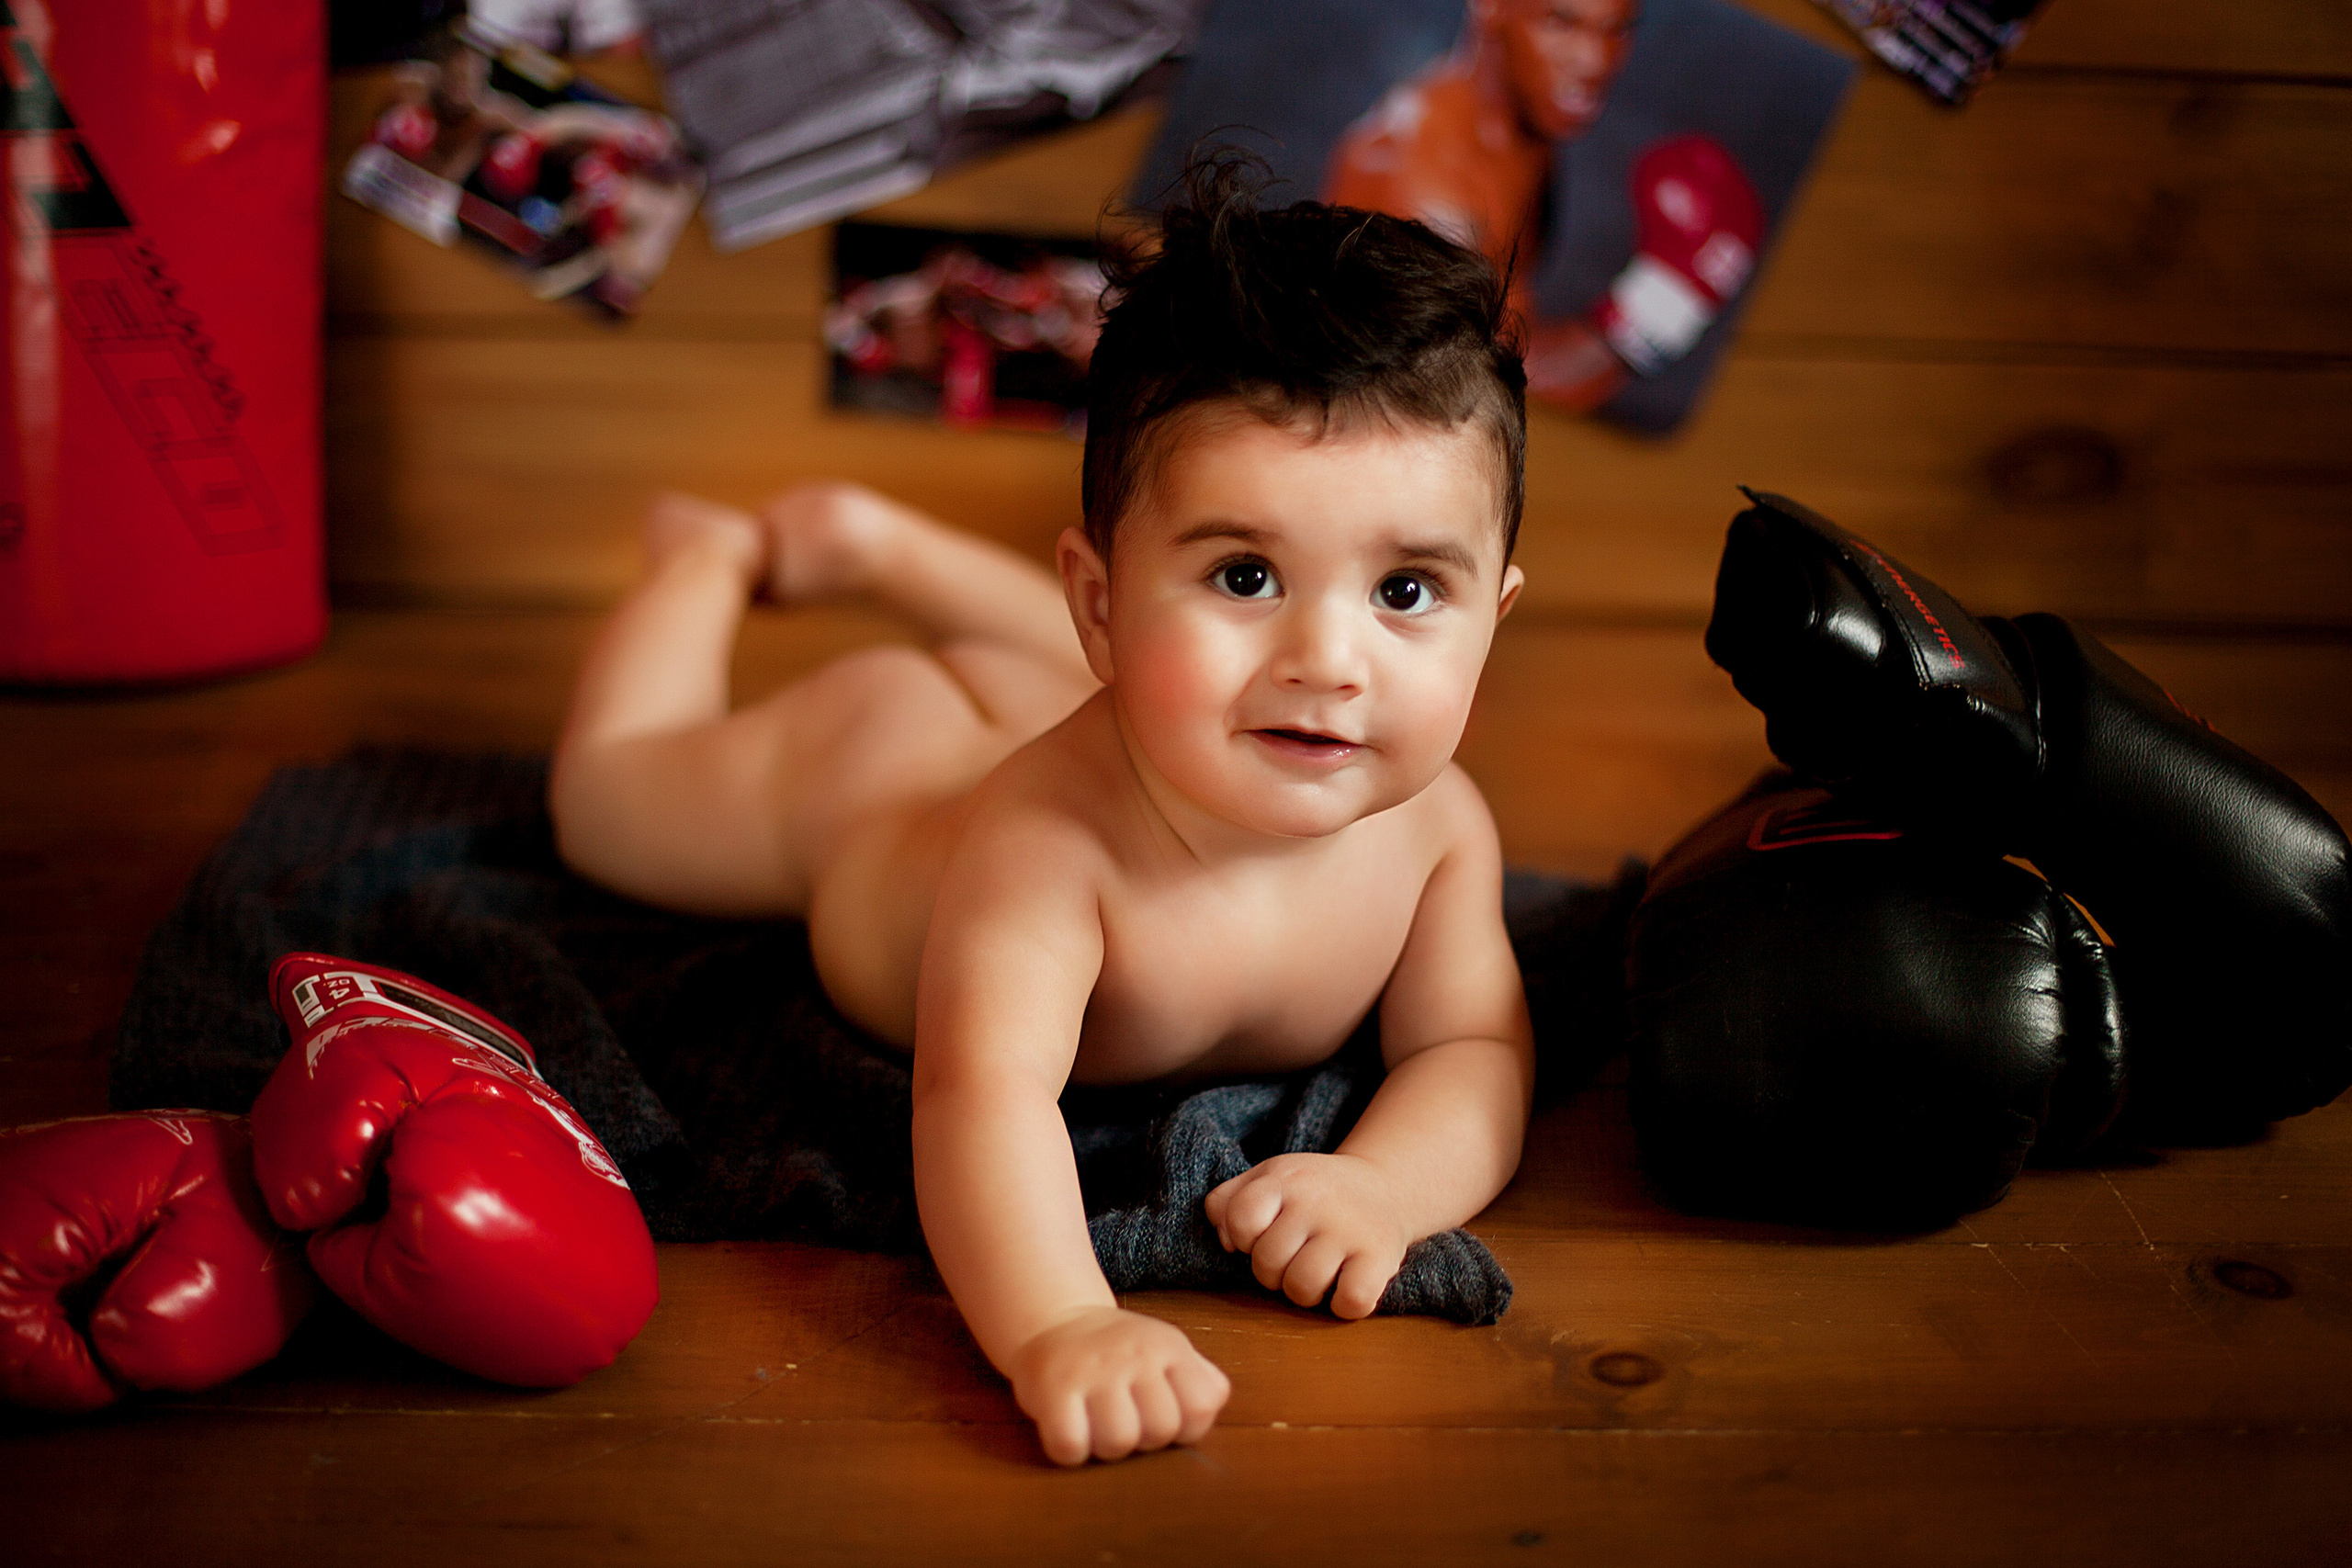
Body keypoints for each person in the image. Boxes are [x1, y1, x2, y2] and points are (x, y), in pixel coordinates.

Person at [548, 155, 1537, 1466]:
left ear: (1495, 618)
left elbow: (1475, 1049)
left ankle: (881, 545)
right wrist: (1063, 1320)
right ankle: (707, 562)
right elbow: (982, 1098)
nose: (1330, 660)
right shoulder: (1044, 851)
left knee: (1167, 686)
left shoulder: (1438, 830)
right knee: (605, 800)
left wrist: (1383, 1183)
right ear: (1101, 601)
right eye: (1246, 572)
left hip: (1112, 702)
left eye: (1407, 591)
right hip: (878, 776)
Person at [1326, 0, 1642, 410]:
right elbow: (1497, 380)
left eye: (1617, 29)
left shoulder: (1518, 118)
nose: (1596, 61)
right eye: (1560, 23)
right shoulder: (1427, 186)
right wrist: (1667, 301)